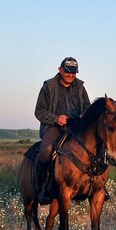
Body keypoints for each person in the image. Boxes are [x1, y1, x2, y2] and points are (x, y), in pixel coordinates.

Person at [34, 57, 91, 204]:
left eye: (73, 73)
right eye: (67, 72)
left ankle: (97, 187)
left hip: (76, 127)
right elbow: (39, 111)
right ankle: (42, 189)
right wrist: (55, 118)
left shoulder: (80, 87)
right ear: (60, 70)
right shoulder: (48, 86)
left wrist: (84, 115)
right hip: (54, 127)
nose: (70, 76)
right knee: (45, 153)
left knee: (93, 149)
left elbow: (87, 108)